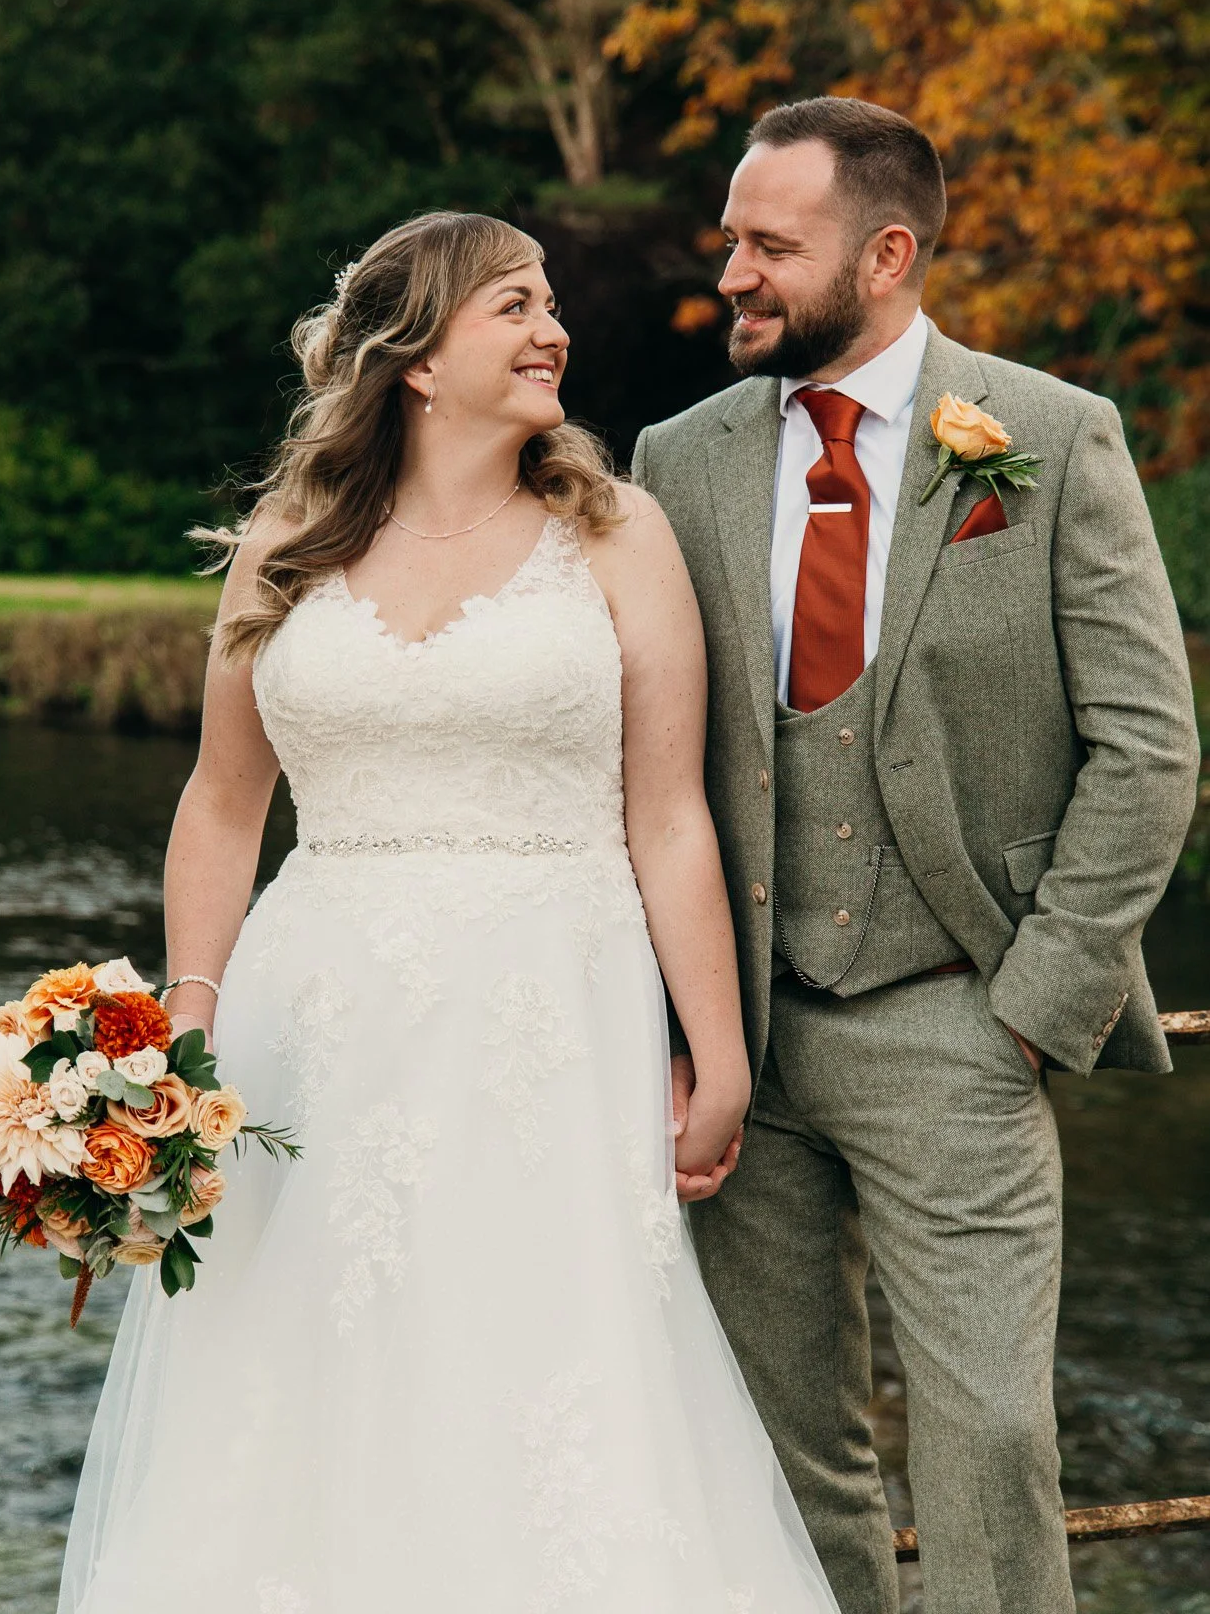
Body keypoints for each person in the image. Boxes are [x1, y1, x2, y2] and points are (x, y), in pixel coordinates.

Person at [58, 211, 839, 1614]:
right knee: (305, 1379)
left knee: (542, 1376)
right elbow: (224, 809)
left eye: (550, 305)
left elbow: (670, 817)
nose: (554, 331)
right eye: (514, 307)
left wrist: (719, 1056)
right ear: (413, 358)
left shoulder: (614, 532)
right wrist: (187, 1031)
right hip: (315, 1029)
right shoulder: (287, 543)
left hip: (546, 1024)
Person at [632, 97, 1201, 1614]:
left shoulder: (1054, 438)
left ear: (885, 254)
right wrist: (676, 1026)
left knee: (993, 1433)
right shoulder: (673, 461)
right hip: (739, 1035)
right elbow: (644, 761)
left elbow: (1150, 750)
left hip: (963, 1012)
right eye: (731, 239)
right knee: (783, 1448)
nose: (733, 273)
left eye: (770, 244)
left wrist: (1040, 1001)